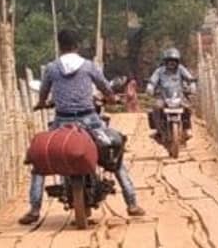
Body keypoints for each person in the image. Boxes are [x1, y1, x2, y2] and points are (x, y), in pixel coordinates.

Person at [20, 29, 144, 225]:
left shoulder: (51, 68)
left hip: (62, 121)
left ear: (59, 45)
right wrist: (111, 98)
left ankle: (34, 209)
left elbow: (43, 92)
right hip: (90, 120)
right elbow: (104, 87)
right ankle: (132, 202)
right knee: (115, 156)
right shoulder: (88, 66)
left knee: (40, 163)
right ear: (77, 46)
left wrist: (42, 103)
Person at [146, 48, 197, 135]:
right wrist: (150, 87)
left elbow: (190, 78)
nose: (172, 63)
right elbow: (153, 81)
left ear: (177, 62)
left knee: (188, 107)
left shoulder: (181, 69)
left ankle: (186, 128)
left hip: (179, 96)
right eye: (169, 61)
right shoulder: (159, 71)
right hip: (163, 97)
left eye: (174, 61)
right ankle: (158, 129)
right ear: (165, 62)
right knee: (156, 107)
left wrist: (192, 85)